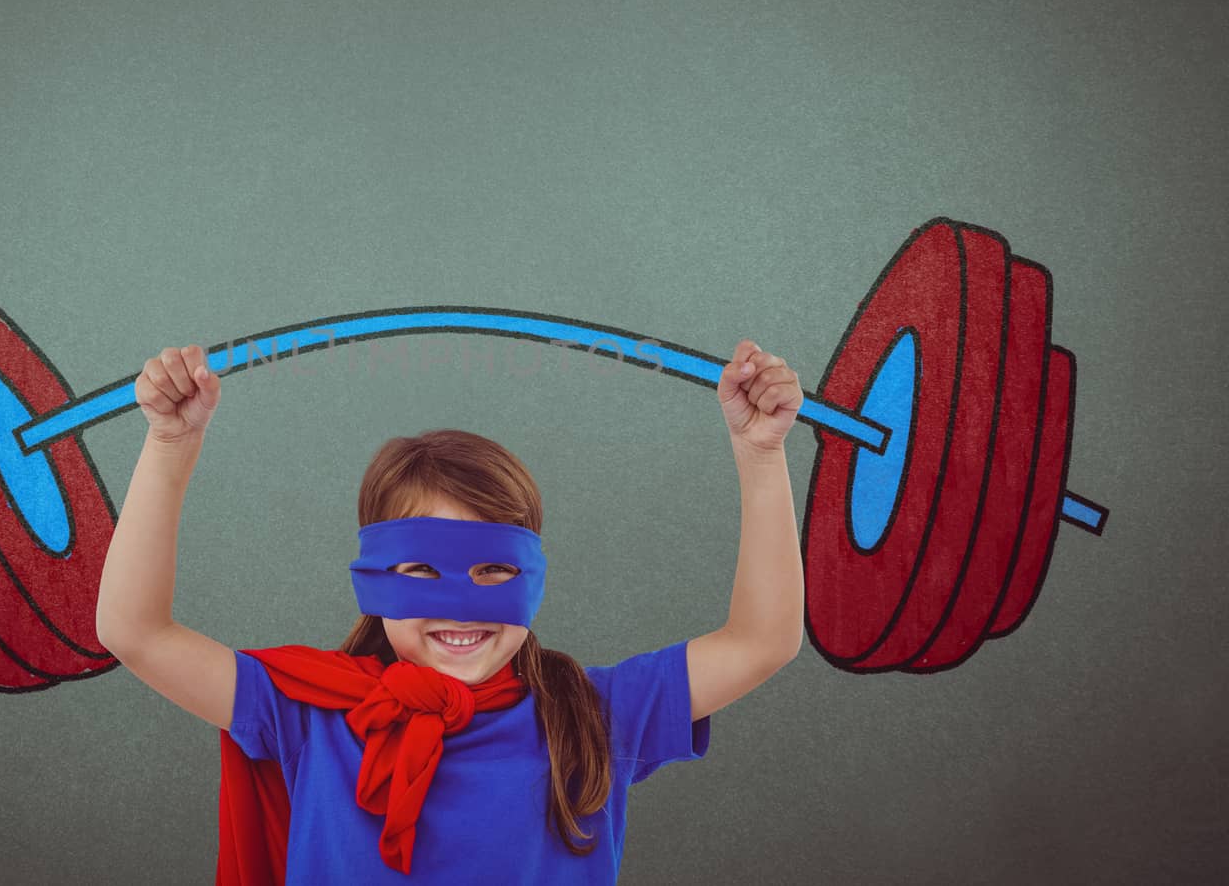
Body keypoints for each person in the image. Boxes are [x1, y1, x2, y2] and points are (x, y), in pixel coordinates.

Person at [96, 339, 805, 884]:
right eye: (422, 569)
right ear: (372, 578)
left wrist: (760, 452)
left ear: (532, 576)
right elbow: (135, 630)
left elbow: (762, 639)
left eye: (495, 568)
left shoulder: (595, 713)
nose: (462, 601)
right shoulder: (306, 712)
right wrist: (170, 443)